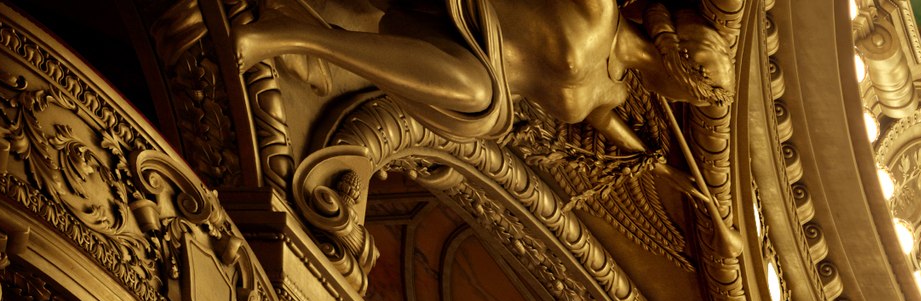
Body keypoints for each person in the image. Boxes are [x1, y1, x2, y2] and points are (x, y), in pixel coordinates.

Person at [234, 0, 732, 150]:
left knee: (484, 101)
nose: (687, 107)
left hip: (461, 61)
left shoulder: (611, 90)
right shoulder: (599, 8)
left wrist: (680, 178)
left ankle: (291, 37)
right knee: (483, 96)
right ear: (679, 69)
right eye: (696, 95)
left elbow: (618, 134)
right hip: (461, 8)